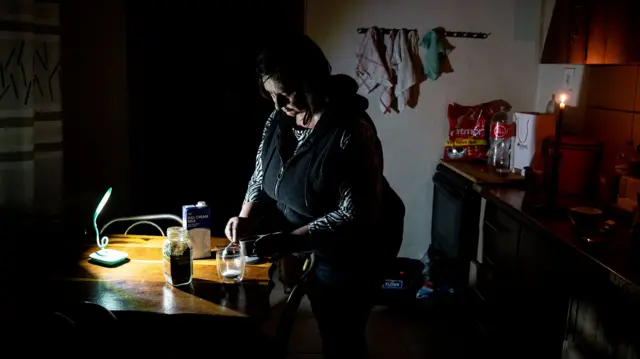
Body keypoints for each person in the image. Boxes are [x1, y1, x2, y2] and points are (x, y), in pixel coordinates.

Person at [225, 34, 404, 359]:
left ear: (312, 80)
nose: (278, 105)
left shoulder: (351, 130)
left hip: (356, 247)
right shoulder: (279, 119)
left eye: (286, 93)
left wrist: (287, 241)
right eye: (271, 95)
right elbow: (260, 172)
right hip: (303, 237)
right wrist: (245, 215)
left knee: (340, 333)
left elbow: (355, 216)